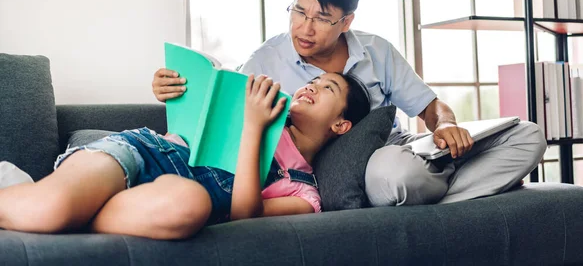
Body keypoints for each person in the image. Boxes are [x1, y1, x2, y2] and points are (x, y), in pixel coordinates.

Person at [153, 0, 547, 207]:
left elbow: (429, 106)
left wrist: (445, 124)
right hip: (362, 167)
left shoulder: (376, 50)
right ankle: (427, 189)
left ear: (346, 21)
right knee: (392, 177)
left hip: (402, 147)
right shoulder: (266, 59)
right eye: (298, 11)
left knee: (528, 135)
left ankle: (433, 191)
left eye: (322, 19)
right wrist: (170, 90)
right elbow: (224, 109)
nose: (304, 28)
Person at [0, 71, 371, 239]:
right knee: (49, 212)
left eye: (328, 88)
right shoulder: (254, 105)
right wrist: (173, 89)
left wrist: (254, 129)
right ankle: (54, 201)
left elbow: (244, 216)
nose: (312, 86)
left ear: (341, 125)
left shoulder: (304, 194)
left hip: (170, 195)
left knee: (192, 206)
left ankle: (63, 202)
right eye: (313, 80)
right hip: (142, 152)